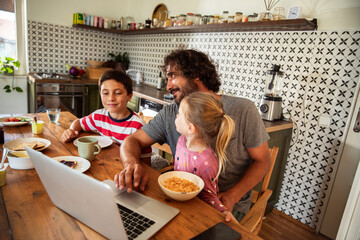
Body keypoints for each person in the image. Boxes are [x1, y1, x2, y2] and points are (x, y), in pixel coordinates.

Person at [114, 49, 270, 222]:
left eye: (172, 76)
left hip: (226, 206)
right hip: (182, 197)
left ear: (195, 74)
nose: (168, 86)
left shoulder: (243, 109)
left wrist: (233, 196)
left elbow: (262, 161)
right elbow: (132, 140)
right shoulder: (171, 112)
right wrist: (131, 164)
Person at [61, 70, 152, 160]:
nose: (111, 98)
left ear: (129, 96)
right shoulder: (98, 117)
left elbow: (146, 163)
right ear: (100, 94)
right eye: (105, 93)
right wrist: (71, 131)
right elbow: (79, 123)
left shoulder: (138, 126)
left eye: (117, 93)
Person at [174, 91, 236, 220]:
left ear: (191, 128)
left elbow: (208, 196)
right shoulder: (181, 141)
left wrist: (223, 211)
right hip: (177, 202)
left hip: (194, 214)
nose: (176, 115)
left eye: (180, 114)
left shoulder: (207, 162)